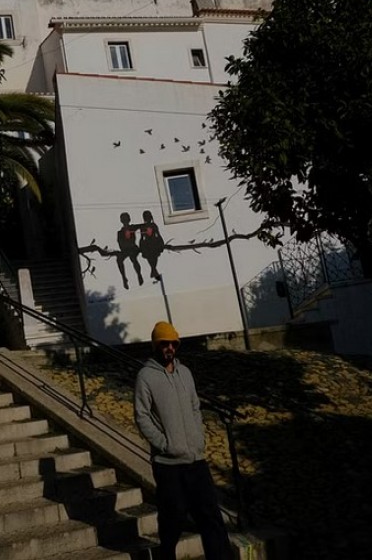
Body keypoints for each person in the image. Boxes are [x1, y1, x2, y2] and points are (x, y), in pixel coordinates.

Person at [134, 321, 234, 560]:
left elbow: (195, 407)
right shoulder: (145, 377)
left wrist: (198, 438)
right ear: (156, 345)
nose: (169, 348)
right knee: (173, 518)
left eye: (173, 344)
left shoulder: (185, 373)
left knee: (211, 516)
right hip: (168, 464)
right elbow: (141, 415)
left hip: (196, 459)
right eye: (164, 344)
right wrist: (165, 444)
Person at [116, 212, 144, 289]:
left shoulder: (132, 228)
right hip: (125, 249)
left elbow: (142, 226)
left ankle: (139, 274)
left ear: (129, 219)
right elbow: (120, 243)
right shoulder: (120, 232)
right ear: (121, 221)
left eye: (126, 219)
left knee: (133, 258)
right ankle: (124, 278)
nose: (125, 221)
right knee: (119, 259)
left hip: (133, 248)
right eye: (123, 219)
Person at [138, 210, 164, 280]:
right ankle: (154, 270)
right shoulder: (143, 227)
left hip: (154, 243)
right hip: (147, 245)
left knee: (153, 257)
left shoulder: (153, 225)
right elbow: (142, 237)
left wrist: (161, 243)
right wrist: (141, 246)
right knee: (151, 257)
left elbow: (158, 235)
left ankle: (153, 270)